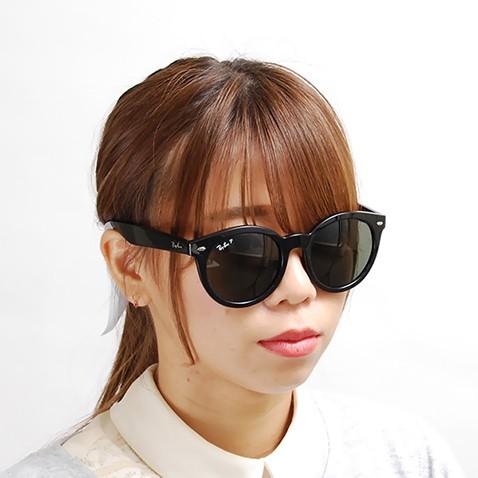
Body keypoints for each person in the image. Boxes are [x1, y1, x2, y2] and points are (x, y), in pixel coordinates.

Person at [1, 56, 467, 478]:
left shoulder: (409, 461)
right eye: (245, 252)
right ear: (131, 267)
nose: (299, 287)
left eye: (331, 243)